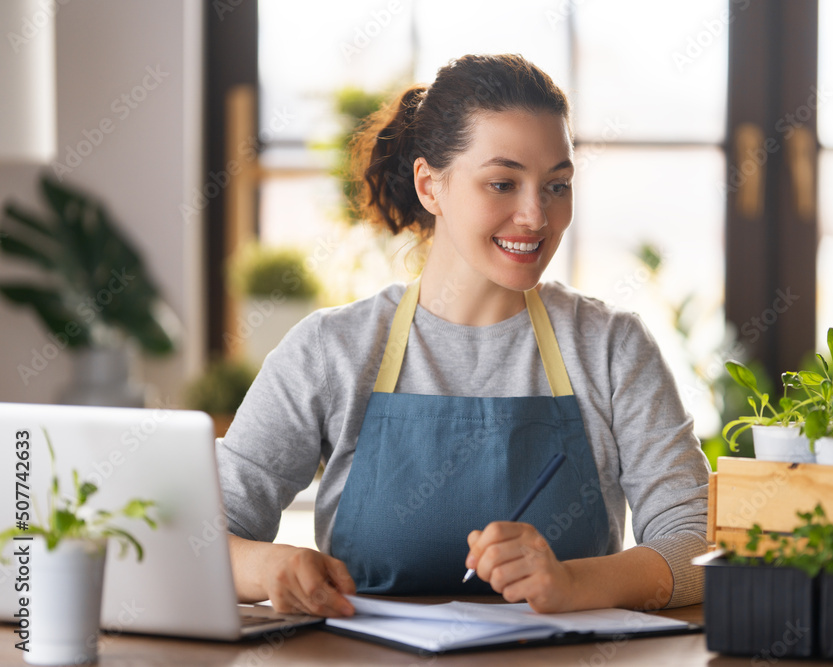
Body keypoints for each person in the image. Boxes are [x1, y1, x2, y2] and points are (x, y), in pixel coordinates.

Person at [217, 53, 710, 619]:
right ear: (430, 186)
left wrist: (573, 582)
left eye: (557, 186)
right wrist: (269, 567)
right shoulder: (331, 351)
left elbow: (696, 546)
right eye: (503, 183)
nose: (536, 216)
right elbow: (202, 536)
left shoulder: (611, 348)